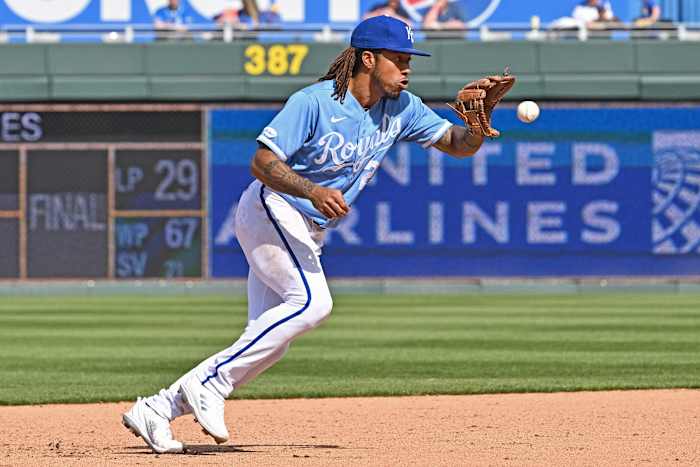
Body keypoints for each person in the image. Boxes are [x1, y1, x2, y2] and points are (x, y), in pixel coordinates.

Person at [122, 15, 502, 453]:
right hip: (273, 207)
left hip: (305, 226)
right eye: (398, 59)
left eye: (409, 59)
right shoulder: (315, 102)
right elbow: (263, 163)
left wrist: (475, 128)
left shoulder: (401, 108)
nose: (407, 68)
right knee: (311, 303)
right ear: (367, 58)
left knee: (272, 339)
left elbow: (456, 145)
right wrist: (312, 189)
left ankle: (157, 409)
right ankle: (208, 383)